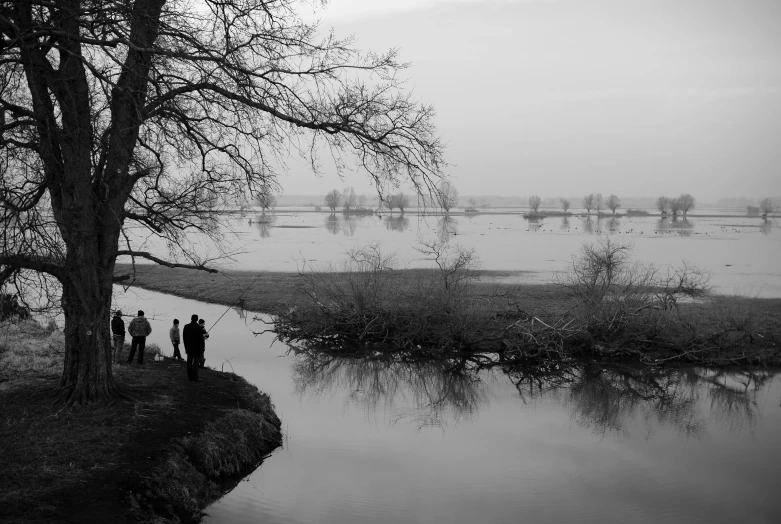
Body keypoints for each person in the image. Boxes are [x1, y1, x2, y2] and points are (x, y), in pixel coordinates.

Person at [183, 314, 205, 381]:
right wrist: (202, 349)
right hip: (197, 349)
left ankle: (189, 377)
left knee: (189, 363)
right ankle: (195, 378)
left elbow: (184, 338)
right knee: (195, 363)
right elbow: (201, 339)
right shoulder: (199, 328)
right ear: (197, 319)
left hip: (189, 348)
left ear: (191, 318)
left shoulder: (186, 326)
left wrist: (186, 347)